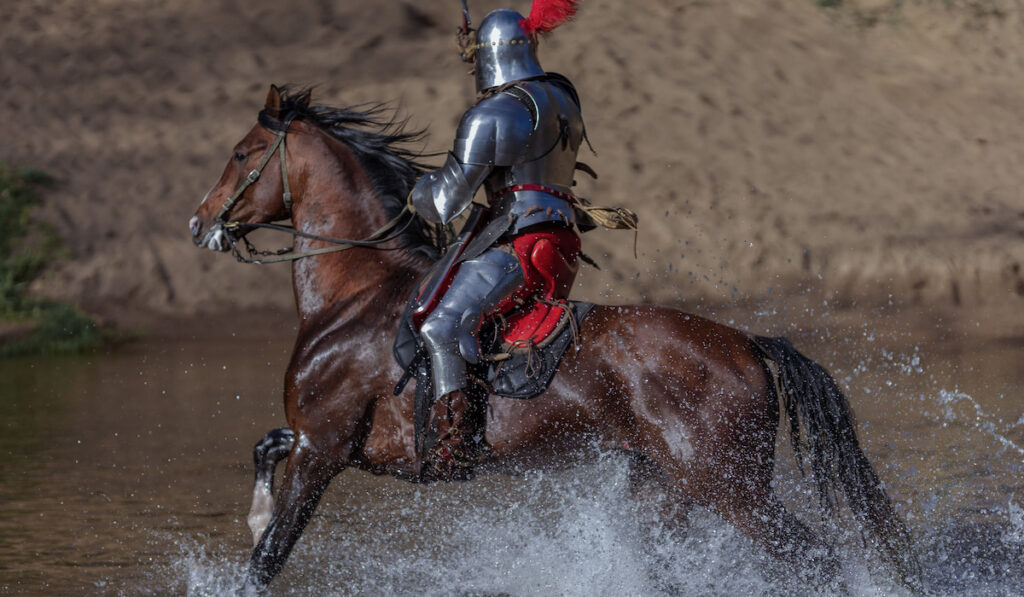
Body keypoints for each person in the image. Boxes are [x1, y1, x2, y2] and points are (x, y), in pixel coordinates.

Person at [410, 1, 588, 479]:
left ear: (486, 56)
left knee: (441, 326)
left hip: (519, 243)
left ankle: (453, 445)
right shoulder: (561, 98)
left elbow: (445, 203)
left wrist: (415, 188)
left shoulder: (494, 113)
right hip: (561, 241)